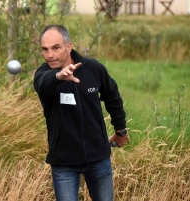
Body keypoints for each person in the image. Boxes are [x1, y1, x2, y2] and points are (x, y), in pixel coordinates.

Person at [33, 24, 129, 201]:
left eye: (55, 48)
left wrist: (120, 130)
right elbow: (42, 84)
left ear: (69, 46)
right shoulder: (44, 74)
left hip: (98, 158)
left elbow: (113, 96)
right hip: (64, 163)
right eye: (45, 49)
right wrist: (59, 77)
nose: (49, 55)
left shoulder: (93, 68)